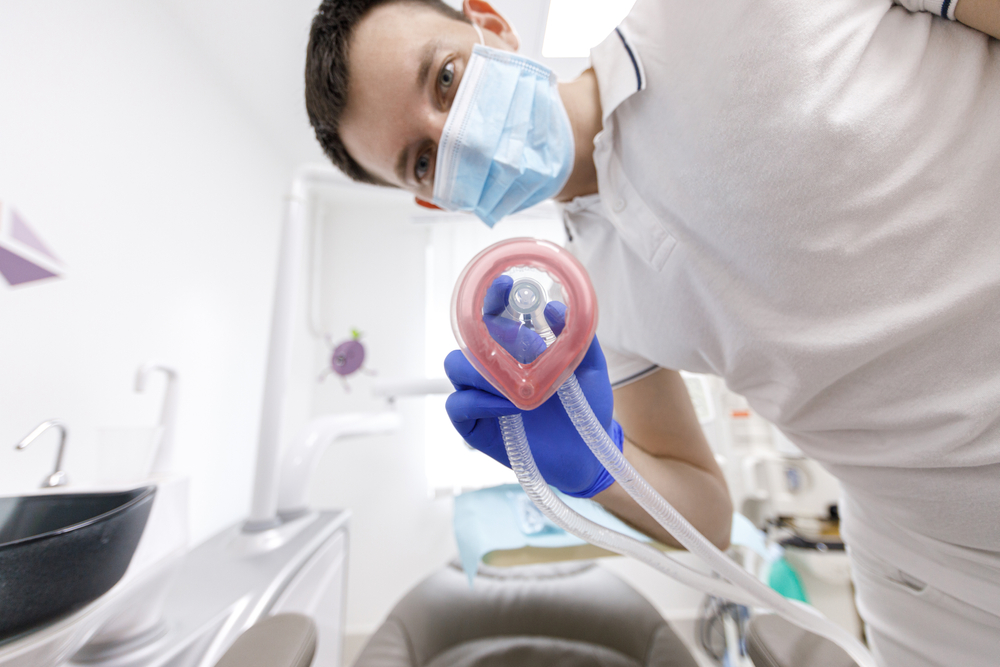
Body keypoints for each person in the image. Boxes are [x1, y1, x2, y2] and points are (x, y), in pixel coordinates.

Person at [304, 1, 1000, 665]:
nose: (459, 135)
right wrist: (600, 462)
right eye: (424, 160)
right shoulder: (585, 303)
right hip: (932, 566)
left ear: (491, 24)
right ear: (431, 199)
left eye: (446, 78)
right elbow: (708, 515)